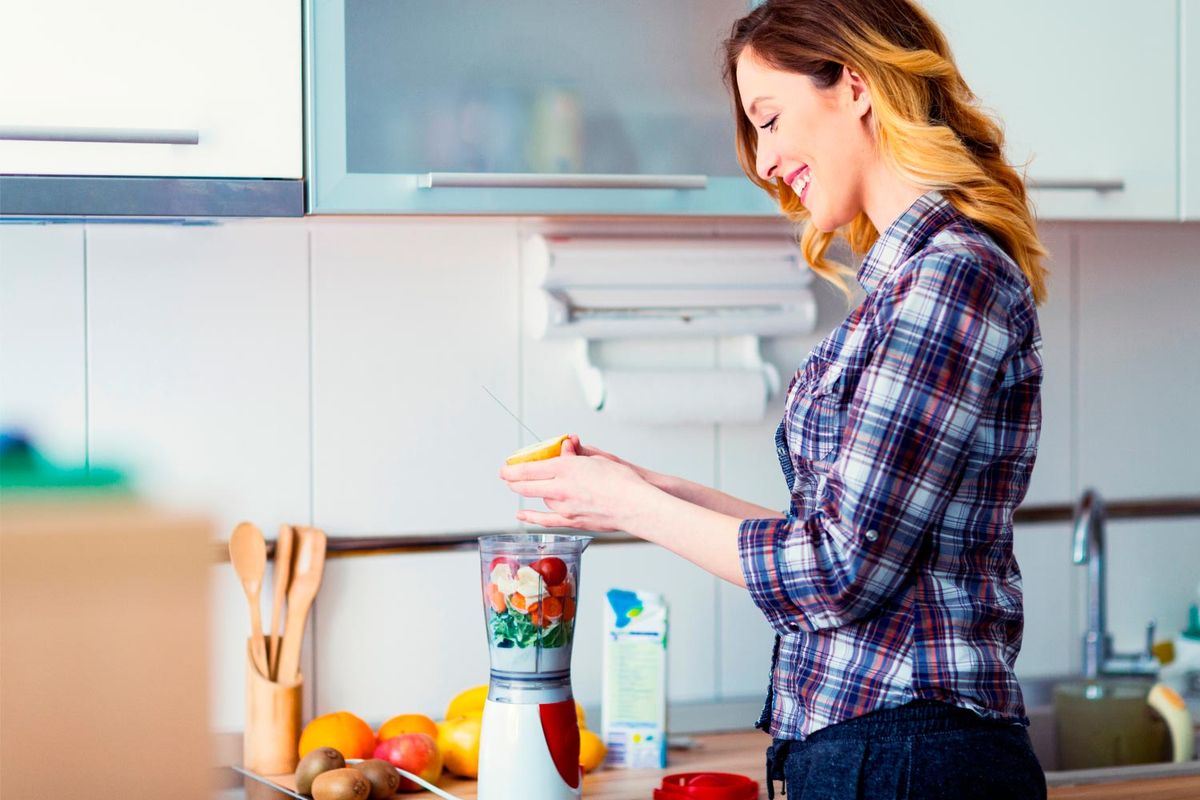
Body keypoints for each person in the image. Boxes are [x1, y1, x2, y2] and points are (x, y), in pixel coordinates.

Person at [500, 0, 1048, 796]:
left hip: (908, 753)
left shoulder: (948, 277)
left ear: (855, 85)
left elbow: (839, 572)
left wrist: (630, 506)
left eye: (769, 119)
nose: (763, 161)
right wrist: (646, 489)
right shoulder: (909, 283)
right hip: (886, 749)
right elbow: (835, 534)